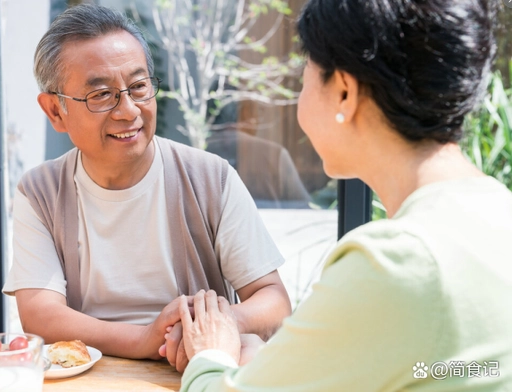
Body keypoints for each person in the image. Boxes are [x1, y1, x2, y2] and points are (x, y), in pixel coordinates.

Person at [175, 0, 512, 390]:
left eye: (305, 76)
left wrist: (209, 352)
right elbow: (444, 370)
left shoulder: (397, 260)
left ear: (344, 93)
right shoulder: (497, 211)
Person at [2, 3, 291, 366]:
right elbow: (41, 315)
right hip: (90, 378)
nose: (128, 110)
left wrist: (208, 327)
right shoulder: (41, 191)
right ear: (56, 111)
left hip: (194, 370)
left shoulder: (210, 177)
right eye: (101, 94)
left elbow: (274, 300)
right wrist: (145, 338)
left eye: (138, 86)